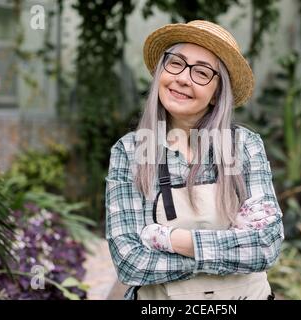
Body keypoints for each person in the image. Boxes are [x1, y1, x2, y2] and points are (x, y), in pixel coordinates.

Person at [105, 20, 284, 300]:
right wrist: (228, 255)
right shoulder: (131, 152)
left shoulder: (244, 146)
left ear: (217, 94)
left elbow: (266, 247)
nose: (183, 78)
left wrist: (174, 240)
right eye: (175, 63)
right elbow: (130, 263)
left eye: (201, 72)